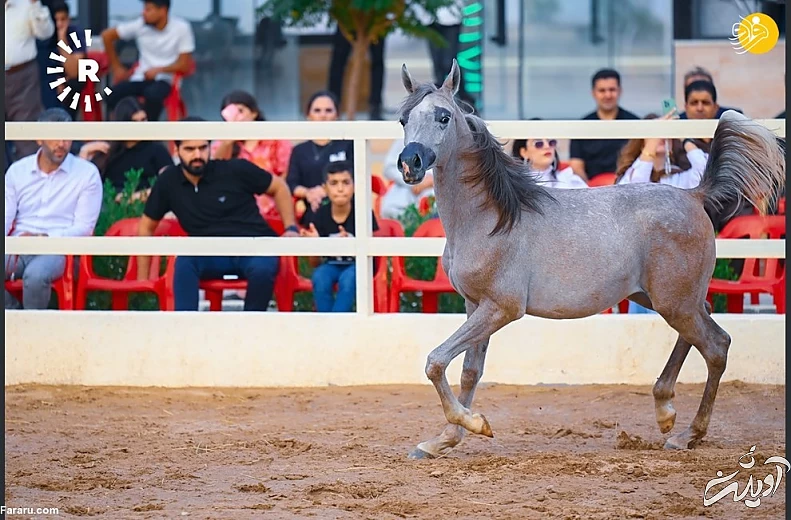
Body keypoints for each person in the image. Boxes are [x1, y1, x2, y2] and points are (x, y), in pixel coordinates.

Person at [136, 117, 299, 312]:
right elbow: (146, 226)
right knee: (185, 261)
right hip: (209, 252)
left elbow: (279, 187)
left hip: (253, 247)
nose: (197, 155)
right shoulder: (168, 181)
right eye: (189, 149)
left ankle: (250, 330)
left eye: (203, 148)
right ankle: (185, 330)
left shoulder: (234, 169)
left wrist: (291, 228)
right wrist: (142, 280)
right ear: (177, 150)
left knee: (263, 268)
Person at [4, 108, 103, 310]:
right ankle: (13, 316)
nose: (61, 144)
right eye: (55, 137)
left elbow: (84, 228)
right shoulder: (18, 171)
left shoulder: (86, 174)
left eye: (67, 138)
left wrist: (46, 237)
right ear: (39, 138)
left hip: (57, 248)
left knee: (36, 276)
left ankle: (33, 333)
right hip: (18, 243)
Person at [300, 161, 379, 312]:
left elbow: (372, 254)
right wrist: (315, 245)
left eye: (346, 182)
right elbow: (314, 263)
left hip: (357, 265)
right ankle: (327, 322)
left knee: (348, 280)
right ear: (325, 188)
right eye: (334, 183)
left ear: (354, 186)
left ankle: (337, 323)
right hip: (331, 265)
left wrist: (351, 245)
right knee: (320, 277)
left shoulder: (363, 213)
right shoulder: (320, 215)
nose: (340, 189)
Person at [102, 0, 195, 121]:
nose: (143, 13)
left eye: (148, 9)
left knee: (153, 95)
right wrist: (116, 67)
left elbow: (184, 65)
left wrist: (159, 70)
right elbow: (107, 36)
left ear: (162, 11)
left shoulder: (181, 28)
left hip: (165, 79)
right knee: (112, 95)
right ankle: (120, 134)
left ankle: (148, 132)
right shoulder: (140, 25)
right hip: (141, 77)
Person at [211, 90, 293, 215]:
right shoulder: (221, 144)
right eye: (230, 113)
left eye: (240, 111)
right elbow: (214, 174)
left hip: (274, 210)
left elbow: (286, 176)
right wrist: (227, 142)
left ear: (254, 113)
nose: (235, 117)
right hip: (234, 211)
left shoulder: (276, 141)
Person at [80, 96, 174, 197]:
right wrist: (84, 152)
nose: (141, 126)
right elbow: (82, 185)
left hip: (143, 207)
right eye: (134, 122)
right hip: (109, 208)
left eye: (143, 120)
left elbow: (170, 185)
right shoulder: (108, 151)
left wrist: (133, 197)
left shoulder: (157, 150)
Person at [287, 91, 354, 224]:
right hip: (314, 210)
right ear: (308, 115)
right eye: (317, 110)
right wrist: (309, 193)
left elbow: (359, 178)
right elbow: (291, 184)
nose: (323, 115)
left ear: (337, 115)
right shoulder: (299, 150)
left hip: (348, 212)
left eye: (328, 110)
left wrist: (326, 190)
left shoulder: (349, 145)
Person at [569, 69, 639, 182]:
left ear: (620, 91)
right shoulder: (582, 126)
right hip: (591, 191)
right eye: (602, 90)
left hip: (628, 189)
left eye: (612, 90)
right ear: (593, 93)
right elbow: (576, 166)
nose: (607, 95)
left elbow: (641, 163)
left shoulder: (634, 123)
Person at [6, 0, 55, 161]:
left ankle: (31, 184)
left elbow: (45, 33)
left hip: (22, 77)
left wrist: (35, 5)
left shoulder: (26, 4)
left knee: (27, 137)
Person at [511, 131, 588, 189]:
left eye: (551, 142)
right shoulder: (516, 185)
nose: (547, 146)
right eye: (538, 143)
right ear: (524, 152)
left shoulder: (570, 179)